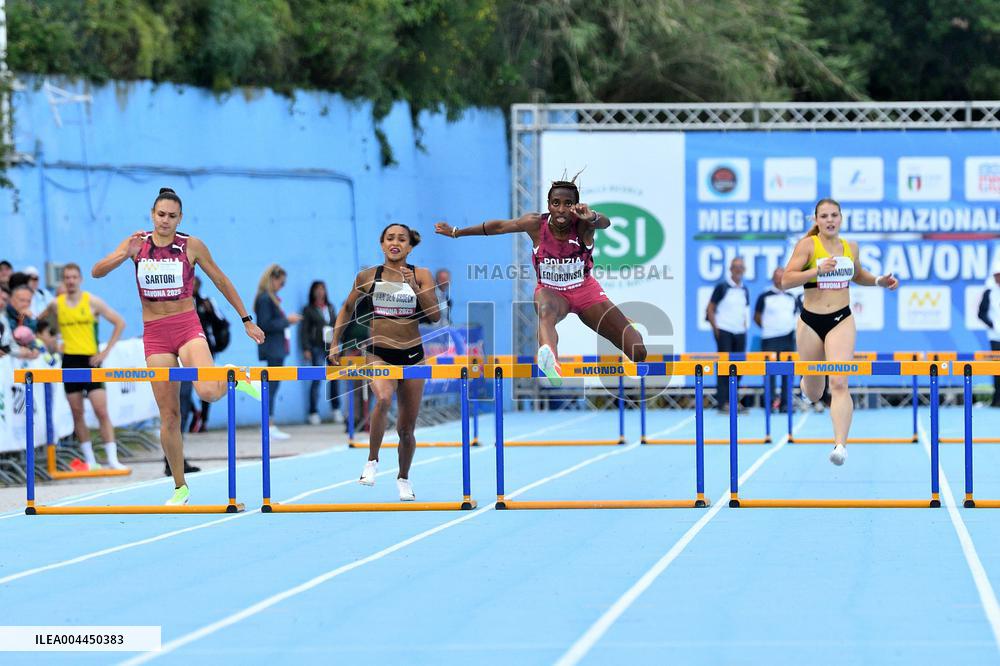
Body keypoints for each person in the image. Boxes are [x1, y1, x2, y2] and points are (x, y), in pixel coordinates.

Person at [92, 187, 265, 506]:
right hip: (155, 334)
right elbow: (97, 271)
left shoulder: (191, 246)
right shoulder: (137, 244)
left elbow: (221, 280)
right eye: (161, 215)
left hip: (186, 326)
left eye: (172, 216)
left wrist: (246, 319)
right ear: (152, 214)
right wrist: (122, 253)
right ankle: (179, 487)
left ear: (180, 218)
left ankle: (232, 374)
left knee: (208, 392)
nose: (165, 221)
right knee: (169, 415)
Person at [434, 176, 646, 386]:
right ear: (549, 205)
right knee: (546, 313)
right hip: (551, 291)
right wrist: (456, 232)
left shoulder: (583, 225)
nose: (561, 209)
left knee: (638, 352)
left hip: (585, 292)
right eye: (556, 203)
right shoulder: (536, 224)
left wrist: (591, 216)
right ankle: (550, 359)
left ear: (575, 206)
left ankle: (626, 324)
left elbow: (605, 223)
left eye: (567, 204)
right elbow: (498, 227)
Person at [782, 198, 899, 466]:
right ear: (816, 220)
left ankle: (840, 446)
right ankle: (807, 384)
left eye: (834, 215)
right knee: (813, 392)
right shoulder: (808, 246)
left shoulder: (850, 247)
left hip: (841, 319)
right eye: (824, 216)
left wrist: (880, 280)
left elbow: (858, 275)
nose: (830, 220)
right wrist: (815, 270)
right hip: (810, 321)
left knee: (839, 382)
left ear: (841, 218)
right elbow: (786, 280)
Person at [329, 223, 440, 501]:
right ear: (382, 244)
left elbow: (435, 316)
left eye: (401, 239)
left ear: (409, 246)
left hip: (412, 354)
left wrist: (415, 288)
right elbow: (346, 307)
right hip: (378, 351)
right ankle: (372, 461)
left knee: (406, 428)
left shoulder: (421, 274)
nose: (395, 242)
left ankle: (403, 477)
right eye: (390, 238)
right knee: (383, 398)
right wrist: (335, 342)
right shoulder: (368, 276)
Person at [38, 263, 128, 470]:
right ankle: (90, 461)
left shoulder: (92, 302)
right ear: (63, 281)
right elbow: (40, 324)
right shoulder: (56, 304)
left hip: (90, 360)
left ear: (80, 280)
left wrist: (104, 352)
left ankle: (112, 459)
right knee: (76, 412)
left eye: (73, 277)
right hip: (69, 361)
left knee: (101, 411)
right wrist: (51, 342)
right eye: (67, 278)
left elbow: (119, 322)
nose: (70, 281)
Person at [254, 264, 302, 440]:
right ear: (272, 279)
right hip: (273, 348)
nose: (282, 287)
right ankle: (268, 424)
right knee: (271, 387)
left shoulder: (269, 298)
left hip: (277, 348)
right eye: (281, 283)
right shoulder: (265, 299)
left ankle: (269, 422)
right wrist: (286, 320)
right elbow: (265, 324)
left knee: (273, 387)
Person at [754, 266, 800, 412]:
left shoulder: (791, 296)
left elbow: (795, 315)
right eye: (777, 276)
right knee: (769, 372)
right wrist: (769, 328)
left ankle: (786, 403)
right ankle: (771, 402)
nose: (779, 279)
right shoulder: (764, 296)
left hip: (788, 338)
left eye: (782, 276)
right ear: (773, 278)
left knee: (788, 372)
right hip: (770, 339)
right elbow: (756, 316)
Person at [706, 257, 749, 412]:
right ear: (730, 269)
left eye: (741, 267)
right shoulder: (722, 287)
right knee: (724, 369)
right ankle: (723, 402)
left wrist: (744, 328)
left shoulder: (744, 289)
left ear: (744, 270)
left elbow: (745, 311)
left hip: (740, 332)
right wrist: (716, 329)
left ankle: (733, 401)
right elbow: (710, 309)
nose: (738, 270)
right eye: (735, 267)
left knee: (739, 368)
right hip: (725, 331)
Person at [300, 280, 342, 425]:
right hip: (316, 347)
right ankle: (313, 412)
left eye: (322, 289)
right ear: (313, 292)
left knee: (334, 378)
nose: (320, 291)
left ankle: (336, 409)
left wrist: (337, 344)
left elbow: (337, 325)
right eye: (317, 289)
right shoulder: (308, 309)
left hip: (331, 347)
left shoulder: (330, 308)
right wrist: (306, 348)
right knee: (317, 379)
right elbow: (304, 330)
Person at [977, 257, 1000, 407]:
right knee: (997, 368)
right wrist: (992, 325)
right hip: (995, 336)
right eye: (997, 275)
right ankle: (997, 399)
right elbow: (981, 313)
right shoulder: (989, 292)